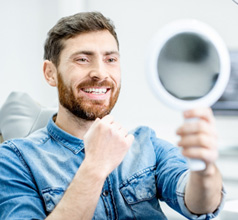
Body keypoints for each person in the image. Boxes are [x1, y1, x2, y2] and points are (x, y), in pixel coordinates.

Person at [0, 11, 225, 219]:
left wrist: (203, 168)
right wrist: (95, 167)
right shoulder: (14, 160)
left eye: (110, 59)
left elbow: (201, 205)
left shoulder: (146, 144)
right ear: (50, 73)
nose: (100, 73)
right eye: (82, 59)